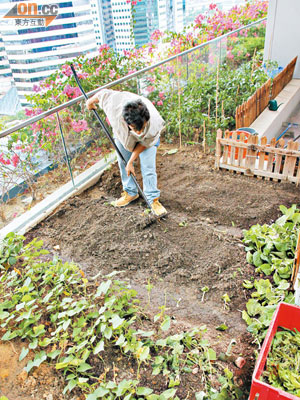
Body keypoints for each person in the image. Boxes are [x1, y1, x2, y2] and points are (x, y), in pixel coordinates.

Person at [86, 88, 167, 217]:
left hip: (147, 141)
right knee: (123, 163)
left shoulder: (154, 122)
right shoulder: (113, 106)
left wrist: (131, 161)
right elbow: (103, 94)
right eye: (136, 129)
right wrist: (90, 102)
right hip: (122, 135)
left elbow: (144, 143)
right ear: (126, 121)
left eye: (142, 127)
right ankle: (130, 192)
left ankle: (153, 200)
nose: (139, 132)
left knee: (148, 167)